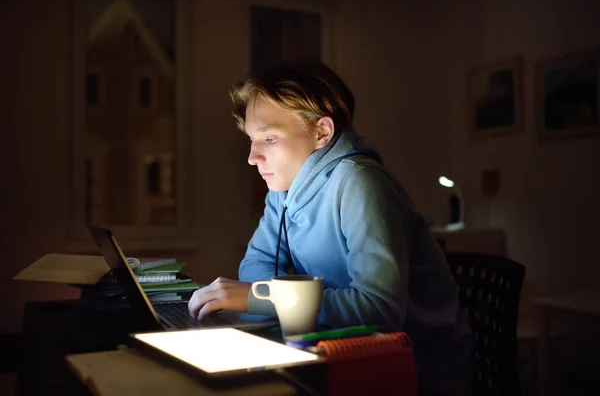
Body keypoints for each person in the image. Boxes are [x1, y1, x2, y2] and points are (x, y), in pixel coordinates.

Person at [188, 62, 472, 395]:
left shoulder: (359, 183)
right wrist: (267, 298)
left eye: (269, 138)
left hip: (417, 372)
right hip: (338, 354)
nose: (253, 157)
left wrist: (262, 298)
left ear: (322, 132)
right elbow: (255, 265)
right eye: (251, 140)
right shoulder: (284, 190)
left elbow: (380, 312)